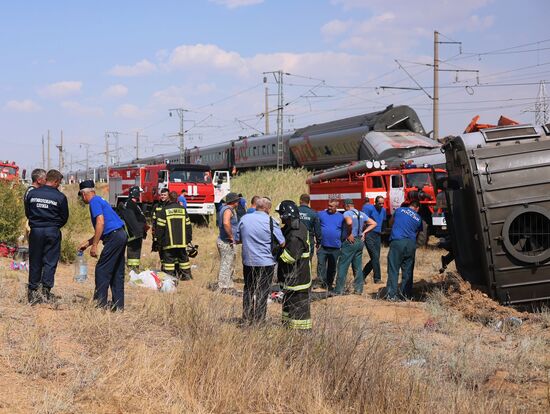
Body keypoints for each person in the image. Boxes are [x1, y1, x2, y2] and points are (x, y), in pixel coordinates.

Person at [78, 180, 127, 311]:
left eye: (81, 196)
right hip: (120, 235)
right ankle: (118, 306)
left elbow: (100, 223)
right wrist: (88, 243)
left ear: (84, 194)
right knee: (116, 271)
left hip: (114, 237)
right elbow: (106, 228)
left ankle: (100, 304)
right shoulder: (100, 200)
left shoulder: (94, 202)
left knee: (102, 269)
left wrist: (95, 246)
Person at [236, 197, 284, 325]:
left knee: (248, 289)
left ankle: (246, 317)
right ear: (268, 208)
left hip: (248, 261)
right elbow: (282, 242)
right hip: (266, 262)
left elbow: (237, 239)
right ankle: (259, 320)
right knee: (263, 290)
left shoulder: (244, 219)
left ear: (256, 206)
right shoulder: (271, 221)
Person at [25, 169, 69, 304]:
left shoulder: (32, 194)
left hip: (36, 231)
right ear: (55, 181)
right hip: (52, 231)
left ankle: (32, 292)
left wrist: (37, 223)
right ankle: (46, 291)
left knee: (35, 260)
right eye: (59, 182)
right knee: (50, 261)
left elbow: (28, 212)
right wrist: (54, 226)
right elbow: (64, 217)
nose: (59, 185)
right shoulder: (60, 197)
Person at [276, 200, 312, 330]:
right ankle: (288, 330)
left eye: (281, 215)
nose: (280, 218)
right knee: (289, 309)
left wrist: (276, 251)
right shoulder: (292, 228)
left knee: (299, 313)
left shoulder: (296, 234)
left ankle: (301, 334)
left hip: (298, 280)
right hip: (291, 279)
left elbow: (290, 257)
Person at [335, 199, 376, 295]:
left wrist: (349, 233)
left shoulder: (347, 213)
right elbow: (374, 223)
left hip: (350, 242)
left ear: (346, 206)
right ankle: (358, 289)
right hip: (359, 242)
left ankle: (338, 290)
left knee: (342, 265)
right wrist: (364, 233)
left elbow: (349, 223)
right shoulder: (361, 213)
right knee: (357, 266)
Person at [386, 200, 423, 301]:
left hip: (398, 241)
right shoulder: (418, 218)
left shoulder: (400, 210)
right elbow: (417, 233)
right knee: (408, 270)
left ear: (410, 205)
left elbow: (391, 222)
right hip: (411, 243)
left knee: (393, 269)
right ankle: (405, 295)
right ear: (417, 208)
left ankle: (391, 295)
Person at [156, 191, 193, 280]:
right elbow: (188, 226)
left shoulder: (164, 210)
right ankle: (186, 276)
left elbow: (160, 228)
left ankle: (170, 278)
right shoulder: (183, 210)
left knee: (169, 261)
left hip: (168, 242)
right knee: (183, 259)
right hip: (182, 241)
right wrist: (188, 239)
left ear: (169, 198)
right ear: (177, 199)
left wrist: (159, 241)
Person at [316, 199, 344, 290]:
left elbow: (344, 230)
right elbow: (315, 225)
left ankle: (329, 284)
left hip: (335, 247)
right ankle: (321, 282)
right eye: (328, 205)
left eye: (331, 206)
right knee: (321, 265)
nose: (329, 208)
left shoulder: (341, 217)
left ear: (336, 207)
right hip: (322, 246)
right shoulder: (321, 214)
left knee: (332, 267)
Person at [119, 186, 147, 272]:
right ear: (136, 194)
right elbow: (131, 220)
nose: (140, 195)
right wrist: (138, 232)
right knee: (134, 252)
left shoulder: (131, 204)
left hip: (135, 233)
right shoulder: (130, 204)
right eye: (139, 193)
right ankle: (133, 270)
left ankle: (133, 269)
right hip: (134, 235)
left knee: (134, 252)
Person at [216, 192, 240, 292]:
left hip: (226, 240)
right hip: (226, 241)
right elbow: (226, 223)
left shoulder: (225, 209)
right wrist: (231, 237)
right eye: (237, 201)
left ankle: (228, 284)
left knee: (229, 263)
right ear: (234, 201)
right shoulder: (228, 210)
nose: (238, 202)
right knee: (226, 263)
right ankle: (223, 286)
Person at [363, 195, 387, 284]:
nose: (381, 205)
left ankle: (361, 276)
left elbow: (384, 221)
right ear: (375, 203)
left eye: (382, 203)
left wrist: (383, 231)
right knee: (375, 257)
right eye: (379, 203)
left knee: (375, 257)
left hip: (378, 235)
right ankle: (377, 279)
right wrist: (364, 233)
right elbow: (364, 221)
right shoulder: (368, 209)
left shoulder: (383, 210)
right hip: (369, 234)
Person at [297, 193, 322, 262]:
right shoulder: (313, 213)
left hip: (296, 239)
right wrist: (318, 242)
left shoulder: (295, 211)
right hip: (308, 240)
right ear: (308, 202)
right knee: (307, 261)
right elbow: (317, 230)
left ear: (300, 201)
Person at [152, 187, 169, 260]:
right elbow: (154, 220)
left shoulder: (170, 205)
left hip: (168, 232)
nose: (163, 196)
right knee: (160, 250)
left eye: (165, 195)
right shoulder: (157, 206)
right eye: (162, 195)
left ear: (168, 196)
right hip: (159, 232)